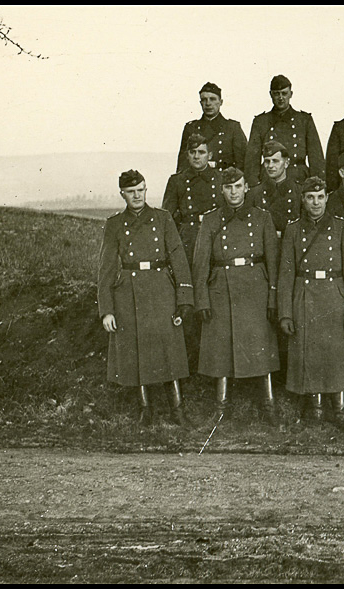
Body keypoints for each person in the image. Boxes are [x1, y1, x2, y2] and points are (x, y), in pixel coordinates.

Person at [98, 170, 194, 427]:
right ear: (122, 194)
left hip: (162, 289)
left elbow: (178, 259)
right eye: (131, 192)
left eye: (140, 190)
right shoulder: (114, 224)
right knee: (137, 351)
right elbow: (106, 268)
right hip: (129, 293)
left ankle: (178, 409)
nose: (137, 195)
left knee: (170, 350)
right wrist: (106, 310)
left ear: (146, 190)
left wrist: (184, 297)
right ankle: (145, 410)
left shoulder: (162, 219)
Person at [192, 167, 281, 423]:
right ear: (222, 190)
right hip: (222, 288)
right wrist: (202, 299)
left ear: (246, 188)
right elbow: (200, 264)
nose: (234, 192)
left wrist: (273, 296)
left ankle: (269, 404)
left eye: (238, 186)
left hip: (256, 288)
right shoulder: (210, 220)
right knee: (222, 349)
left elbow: (273, 262)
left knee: (261, 347)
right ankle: (220, 407)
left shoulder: (262, 218)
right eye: (228, 187)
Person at [278, 177, 344, 427]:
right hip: (305, 297)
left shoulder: (341, 227)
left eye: (320, 197)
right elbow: (286, 273)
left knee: (338, 355)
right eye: (310, 198)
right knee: (310, 353)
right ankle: (315, 409)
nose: (316, 203)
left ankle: (340, 410)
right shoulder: (293, 230)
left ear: (327, 198)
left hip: (334, 296)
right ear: (303, 200)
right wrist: (285, 313)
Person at [163, 134, 223, 372]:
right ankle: (189, 360)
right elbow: (167, 217)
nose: (197, 157)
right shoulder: (177, 181)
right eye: (193, 153)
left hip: (216, 238)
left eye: (201, 152)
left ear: (210, 155)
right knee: (189, 296)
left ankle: (213, 360)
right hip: (187, 239)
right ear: (187, 155)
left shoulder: (219, 179)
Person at [246, 74, 325, 186]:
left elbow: (316, 158)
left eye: (284, 93)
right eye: (276, 94)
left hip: (298, 179)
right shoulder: (261, 122)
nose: (281, 98)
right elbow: (252, 161)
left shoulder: (304, 120)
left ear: (291, 94)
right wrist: (254, 187)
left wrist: (317, 185)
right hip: (269, 180)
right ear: (270, 95)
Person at [176, 82, 248, 173]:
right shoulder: (191, 128)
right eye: (204, 100)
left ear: (221, 102)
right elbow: (183, 165)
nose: (208, 103)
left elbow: (241, 164)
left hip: (223, 182)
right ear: (200, 103)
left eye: (212, 99)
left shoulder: (232, 128)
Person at [246, 140, 302, 238]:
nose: (270, 166)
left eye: (275, 161)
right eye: (267, 161)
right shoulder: (254, 193)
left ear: (286, 163)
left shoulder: (299, 192)